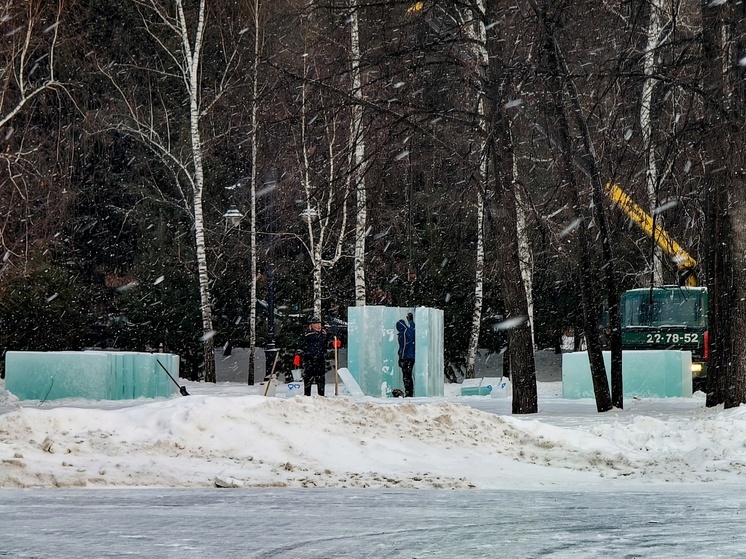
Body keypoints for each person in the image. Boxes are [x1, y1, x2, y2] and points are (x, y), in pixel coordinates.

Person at [299, 316, 329, 396]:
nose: (319, 326)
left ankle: (321, 395)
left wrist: (333, 342)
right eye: (316, 324)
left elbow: (327, 344)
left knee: (321, 379)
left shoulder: (323, 334)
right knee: (308, 378)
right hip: (309, 359)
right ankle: (307, 395)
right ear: (311, 325)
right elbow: (301, 346)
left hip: (320, 359)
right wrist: (299, 355)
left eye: (319, 324)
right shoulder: (307, 335)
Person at [396, 312, 416, 397]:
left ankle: (409, 392)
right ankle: (410, 392)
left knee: (406, 376)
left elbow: (404, 346)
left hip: (406, 357)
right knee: (409, 375)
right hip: (411, 357)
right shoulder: (410, 330)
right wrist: (411, 320)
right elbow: (413, 327)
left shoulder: (403, 333)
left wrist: (401, 358)